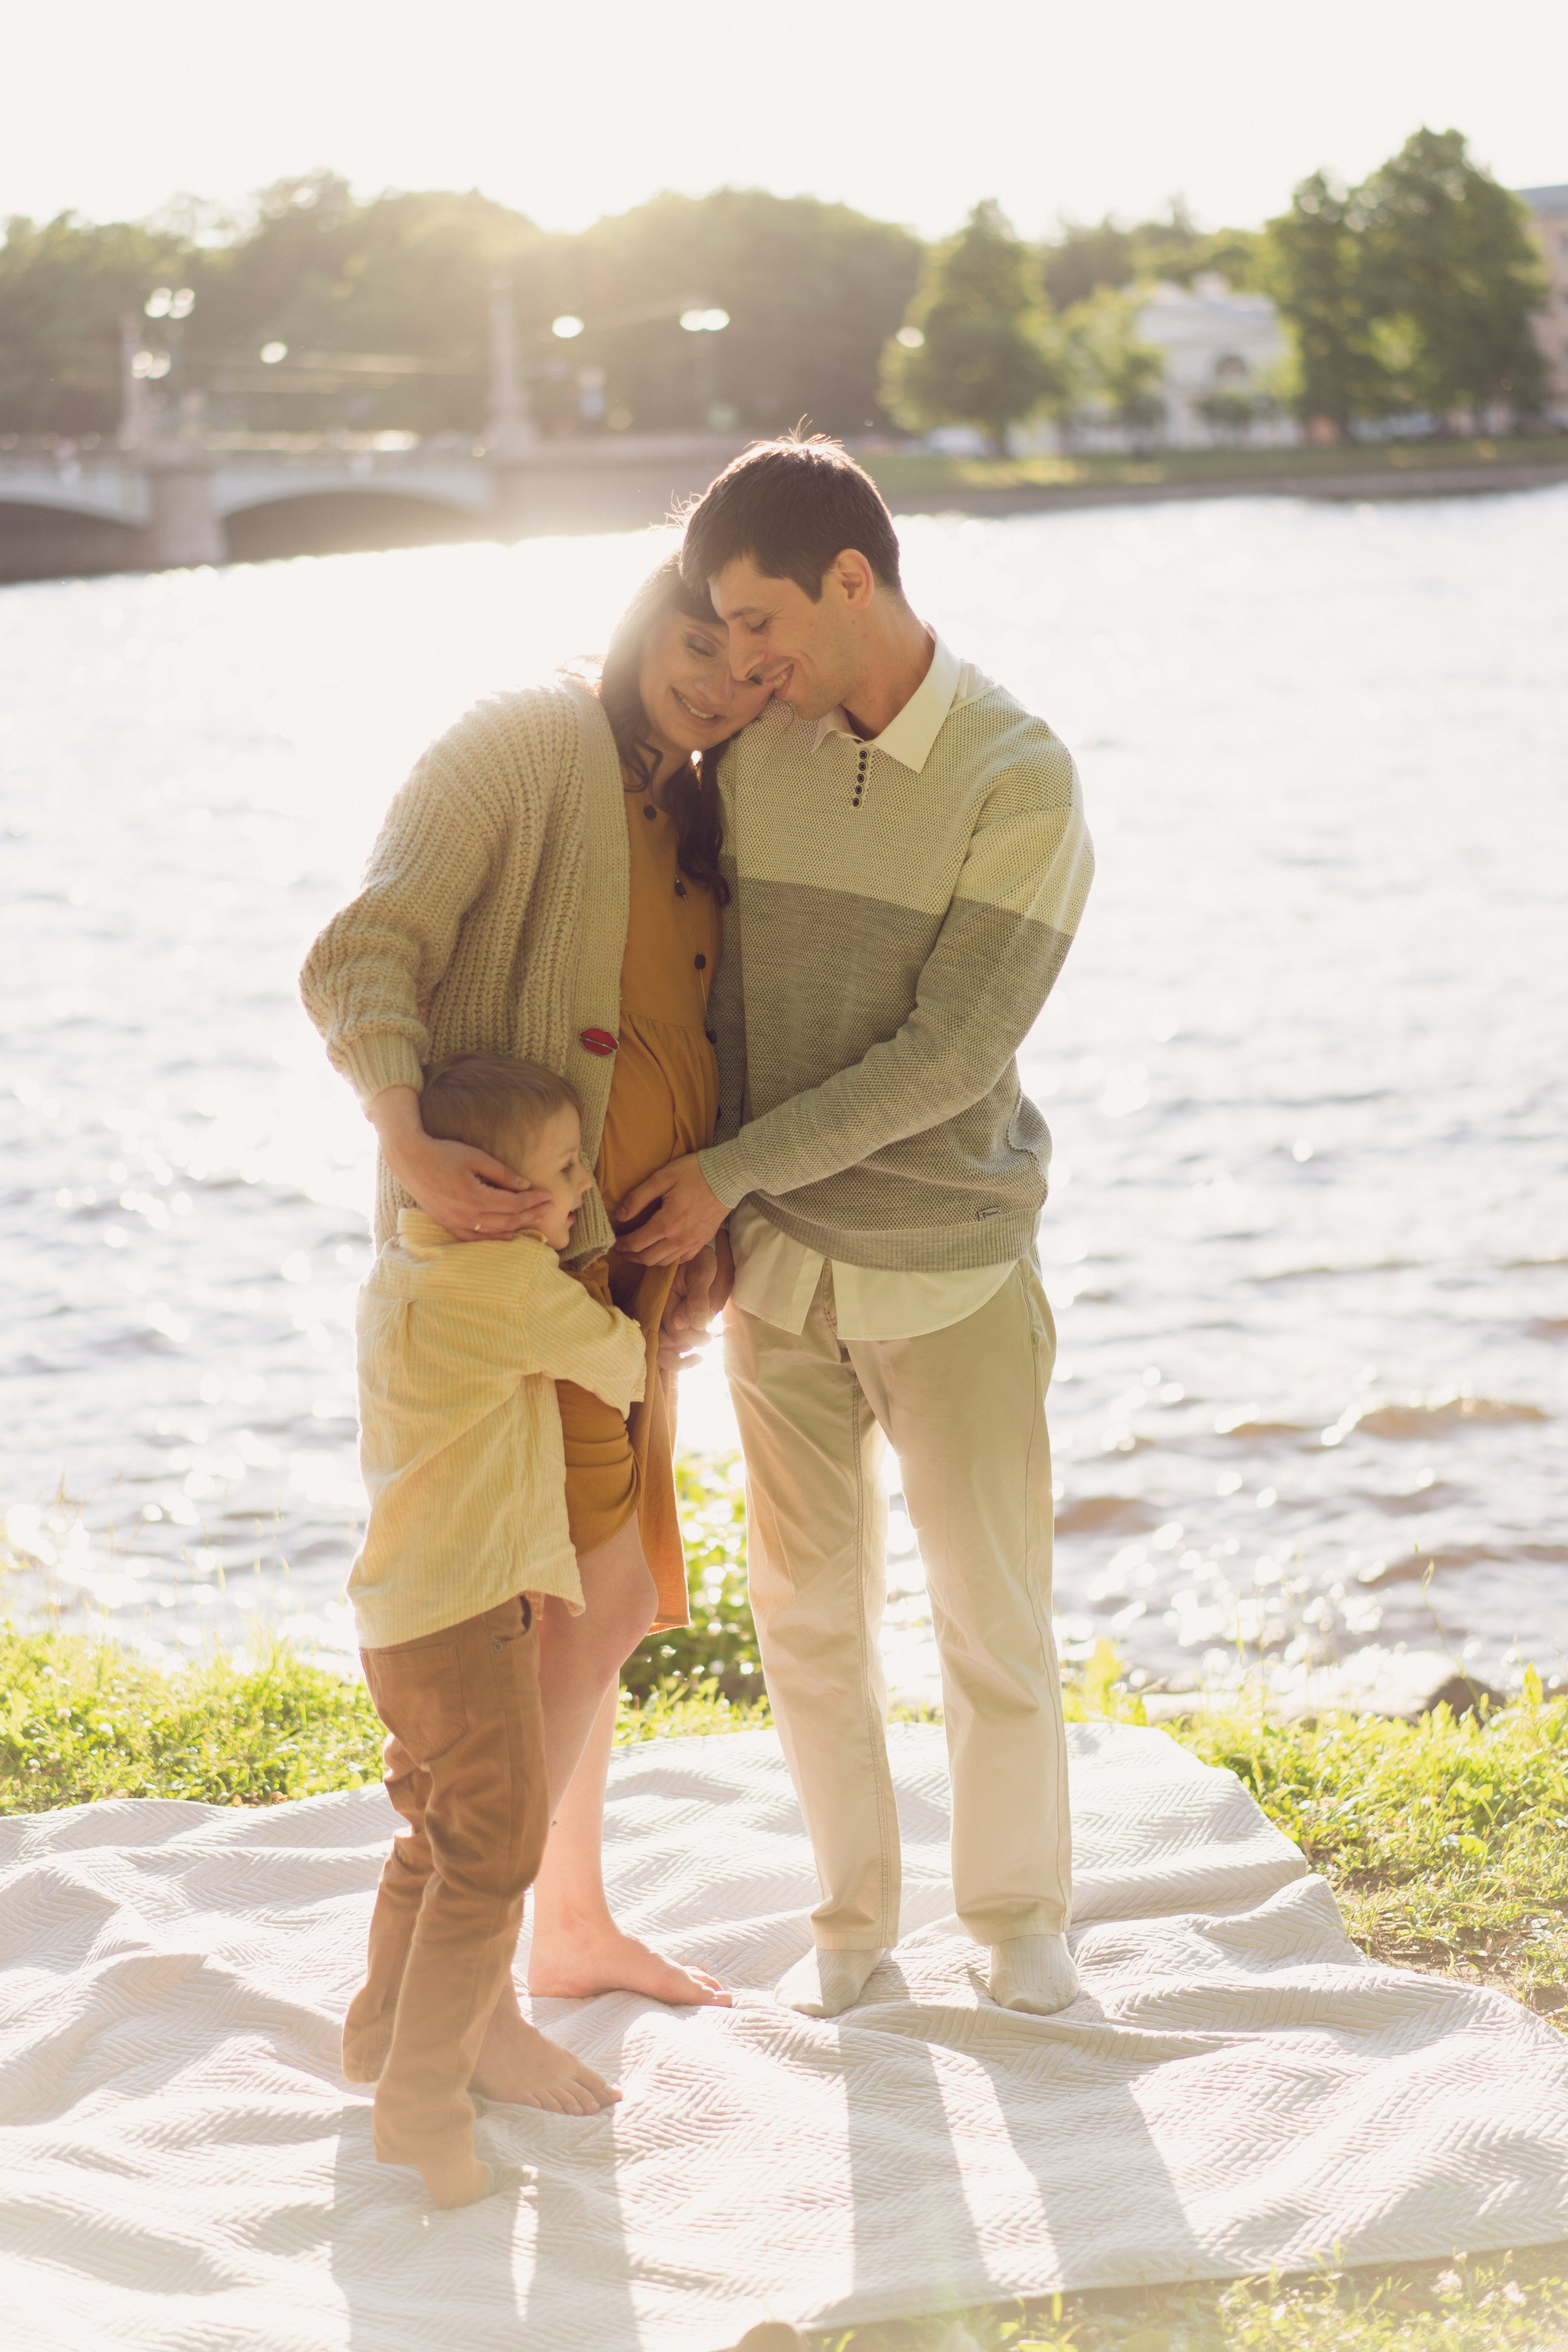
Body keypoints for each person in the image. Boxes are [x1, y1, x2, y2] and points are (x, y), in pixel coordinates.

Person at [619, 439, 1095, 2019]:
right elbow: (720, 991)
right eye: (719, 633)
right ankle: (850, 1928)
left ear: (851, 578)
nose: (741, 664)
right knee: (808, 1617)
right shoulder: (759, 752)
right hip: (774, 1269)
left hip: (948, 1261)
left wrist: (735, 1170)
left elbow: (953, 1053)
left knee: (988, 1613)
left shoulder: (1018, 778)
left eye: (760, 625)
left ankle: (1020, 1922)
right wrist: (719, 1203)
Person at [301, 558, 770, 2095]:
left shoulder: (689, 805)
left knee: (606, 1603)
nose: (719, 678)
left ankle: (554, 1924)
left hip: (623, 1276)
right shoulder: (523, 739)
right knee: (566, 1606)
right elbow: (363, 949)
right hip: (518, 1283)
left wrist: (701, 1225)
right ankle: (479, 1986)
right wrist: (404, 1137)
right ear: (647, 613)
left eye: (753, 660)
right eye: (696, 639)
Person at [343, 1054, 646, 2208]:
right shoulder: (515, 1292)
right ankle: (420, 2110)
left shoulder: (400, 1271)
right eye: (566, 1170)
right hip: (472, 1623)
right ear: (503, 1197)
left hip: (398, 1618)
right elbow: (616, 1368)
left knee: (430, 1833)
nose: (580, 1190)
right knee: (493, 1858)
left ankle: (378, 2035)